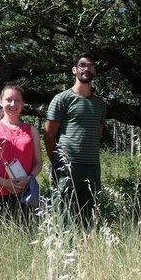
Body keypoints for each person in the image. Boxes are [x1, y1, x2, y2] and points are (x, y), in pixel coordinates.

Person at [44, 52, 107, 228]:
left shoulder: (99, 104)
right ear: (74, 70)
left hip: (93, 167)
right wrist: (58, 163)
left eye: (91, 65)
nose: (87, 69)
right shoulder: (62, 99)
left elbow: (98, 134)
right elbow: (48, 134)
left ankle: (85, 245)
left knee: (89, 218)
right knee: (63, 216)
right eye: (82, 65)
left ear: (95, 70)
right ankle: (62, 245)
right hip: (68, 166)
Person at [0, 83, 42, 218]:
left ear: (23, 103)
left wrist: (29, 178)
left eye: (17, 100)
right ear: (0, 102)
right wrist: (4, 183)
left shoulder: (32, 130)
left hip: (25, 192)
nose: (13, 104)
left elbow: (38, 163)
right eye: (8, 100)